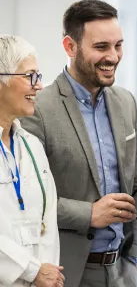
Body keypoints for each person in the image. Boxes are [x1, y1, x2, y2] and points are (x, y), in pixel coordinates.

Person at [21, 0, 137, 287]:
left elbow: (136, 183)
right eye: (101, 47)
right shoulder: (38, 109)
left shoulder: (126, 103)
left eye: (118, 46)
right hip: (66, 273)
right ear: (70, 47)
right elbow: (27, 200)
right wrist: (90, 214)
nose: (113, 57)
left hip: (120, 273)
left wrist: (134, 257)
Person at [0, 35, 64, 287]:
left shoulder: (31, 147)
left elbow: (48, 228)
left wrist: (45, 274)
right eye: (30, 76)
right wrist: (30, 270)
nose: (38, 86)